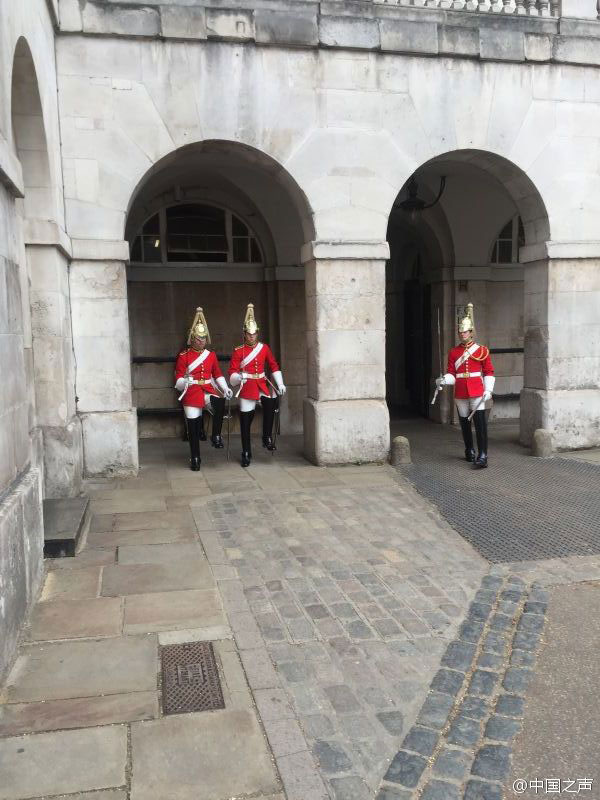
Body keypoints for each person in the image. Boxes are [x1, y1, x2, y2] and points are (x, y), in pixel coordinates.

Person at [436, 303, 495, 469]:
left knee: (480, 422)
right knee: (464, 421)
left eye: (465, 332)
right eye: (460, 332)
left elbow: (489, 371)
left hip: (477, 389)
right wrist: (443, 380)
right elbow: (452, 374)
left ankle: (483, 454)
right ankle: (469, 449)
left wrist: (488, 389)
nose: (462, 334)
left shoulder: (481, 350)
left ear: (471, 332)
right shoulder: (454, 352)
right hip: (461, 390)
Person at [174, 307, 233, 471]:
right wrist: (184, 381)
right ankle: (195, 456)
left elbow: (218, 374)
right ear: (192, 338)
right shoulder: (183, 356)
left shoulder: (211, 355)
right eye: (198, 338)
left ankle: (216, 435)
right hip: (191, 391)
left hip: (207, 389)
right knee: (193, 426)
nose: (201, 341)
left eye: (204, 338)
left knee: (220, 402)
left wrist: (225, 387)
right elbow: (177, 378)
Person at [228, 303, 286, 467]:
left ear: (257, 333)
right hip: (247, 387)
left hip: (261, 383)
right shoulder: (239, 351)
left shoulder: (264, 348)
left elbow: (273, 365)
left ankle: (266, 437)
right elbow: (231, 375)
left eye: (254, 334)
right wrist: (240, 377)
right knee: (245, 421)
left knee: (271, 404)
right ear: (244, 334)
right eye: (249, 334)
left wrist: (280, 383)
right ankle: (246, 451)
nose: (252, 337)